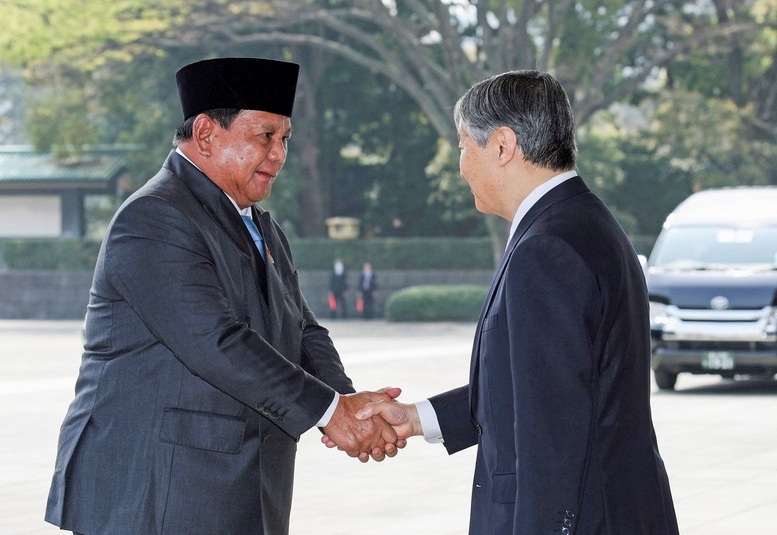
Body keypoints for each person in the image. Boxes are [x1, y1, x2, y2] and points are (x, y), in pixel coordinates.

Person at [44, 57, 400, 535]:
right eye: (265, 136)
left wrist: (348, 399)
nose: (279, 155)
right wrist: (334, 413)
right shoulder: (154, 217)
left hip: (238, 481)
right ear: (207, 134)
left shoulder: (260, 223)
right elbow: (215, 341)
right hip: (157, 488)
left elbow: (301, 328)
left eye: (285, 139)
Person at [337, 70, 680, 534]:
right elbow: (539, 388)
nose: (460, 165)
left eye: (463, 146)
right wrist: (418, 418)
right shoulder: (583, 223)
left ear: (501, 146)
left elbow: (551, 437)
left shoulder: (547, 248)